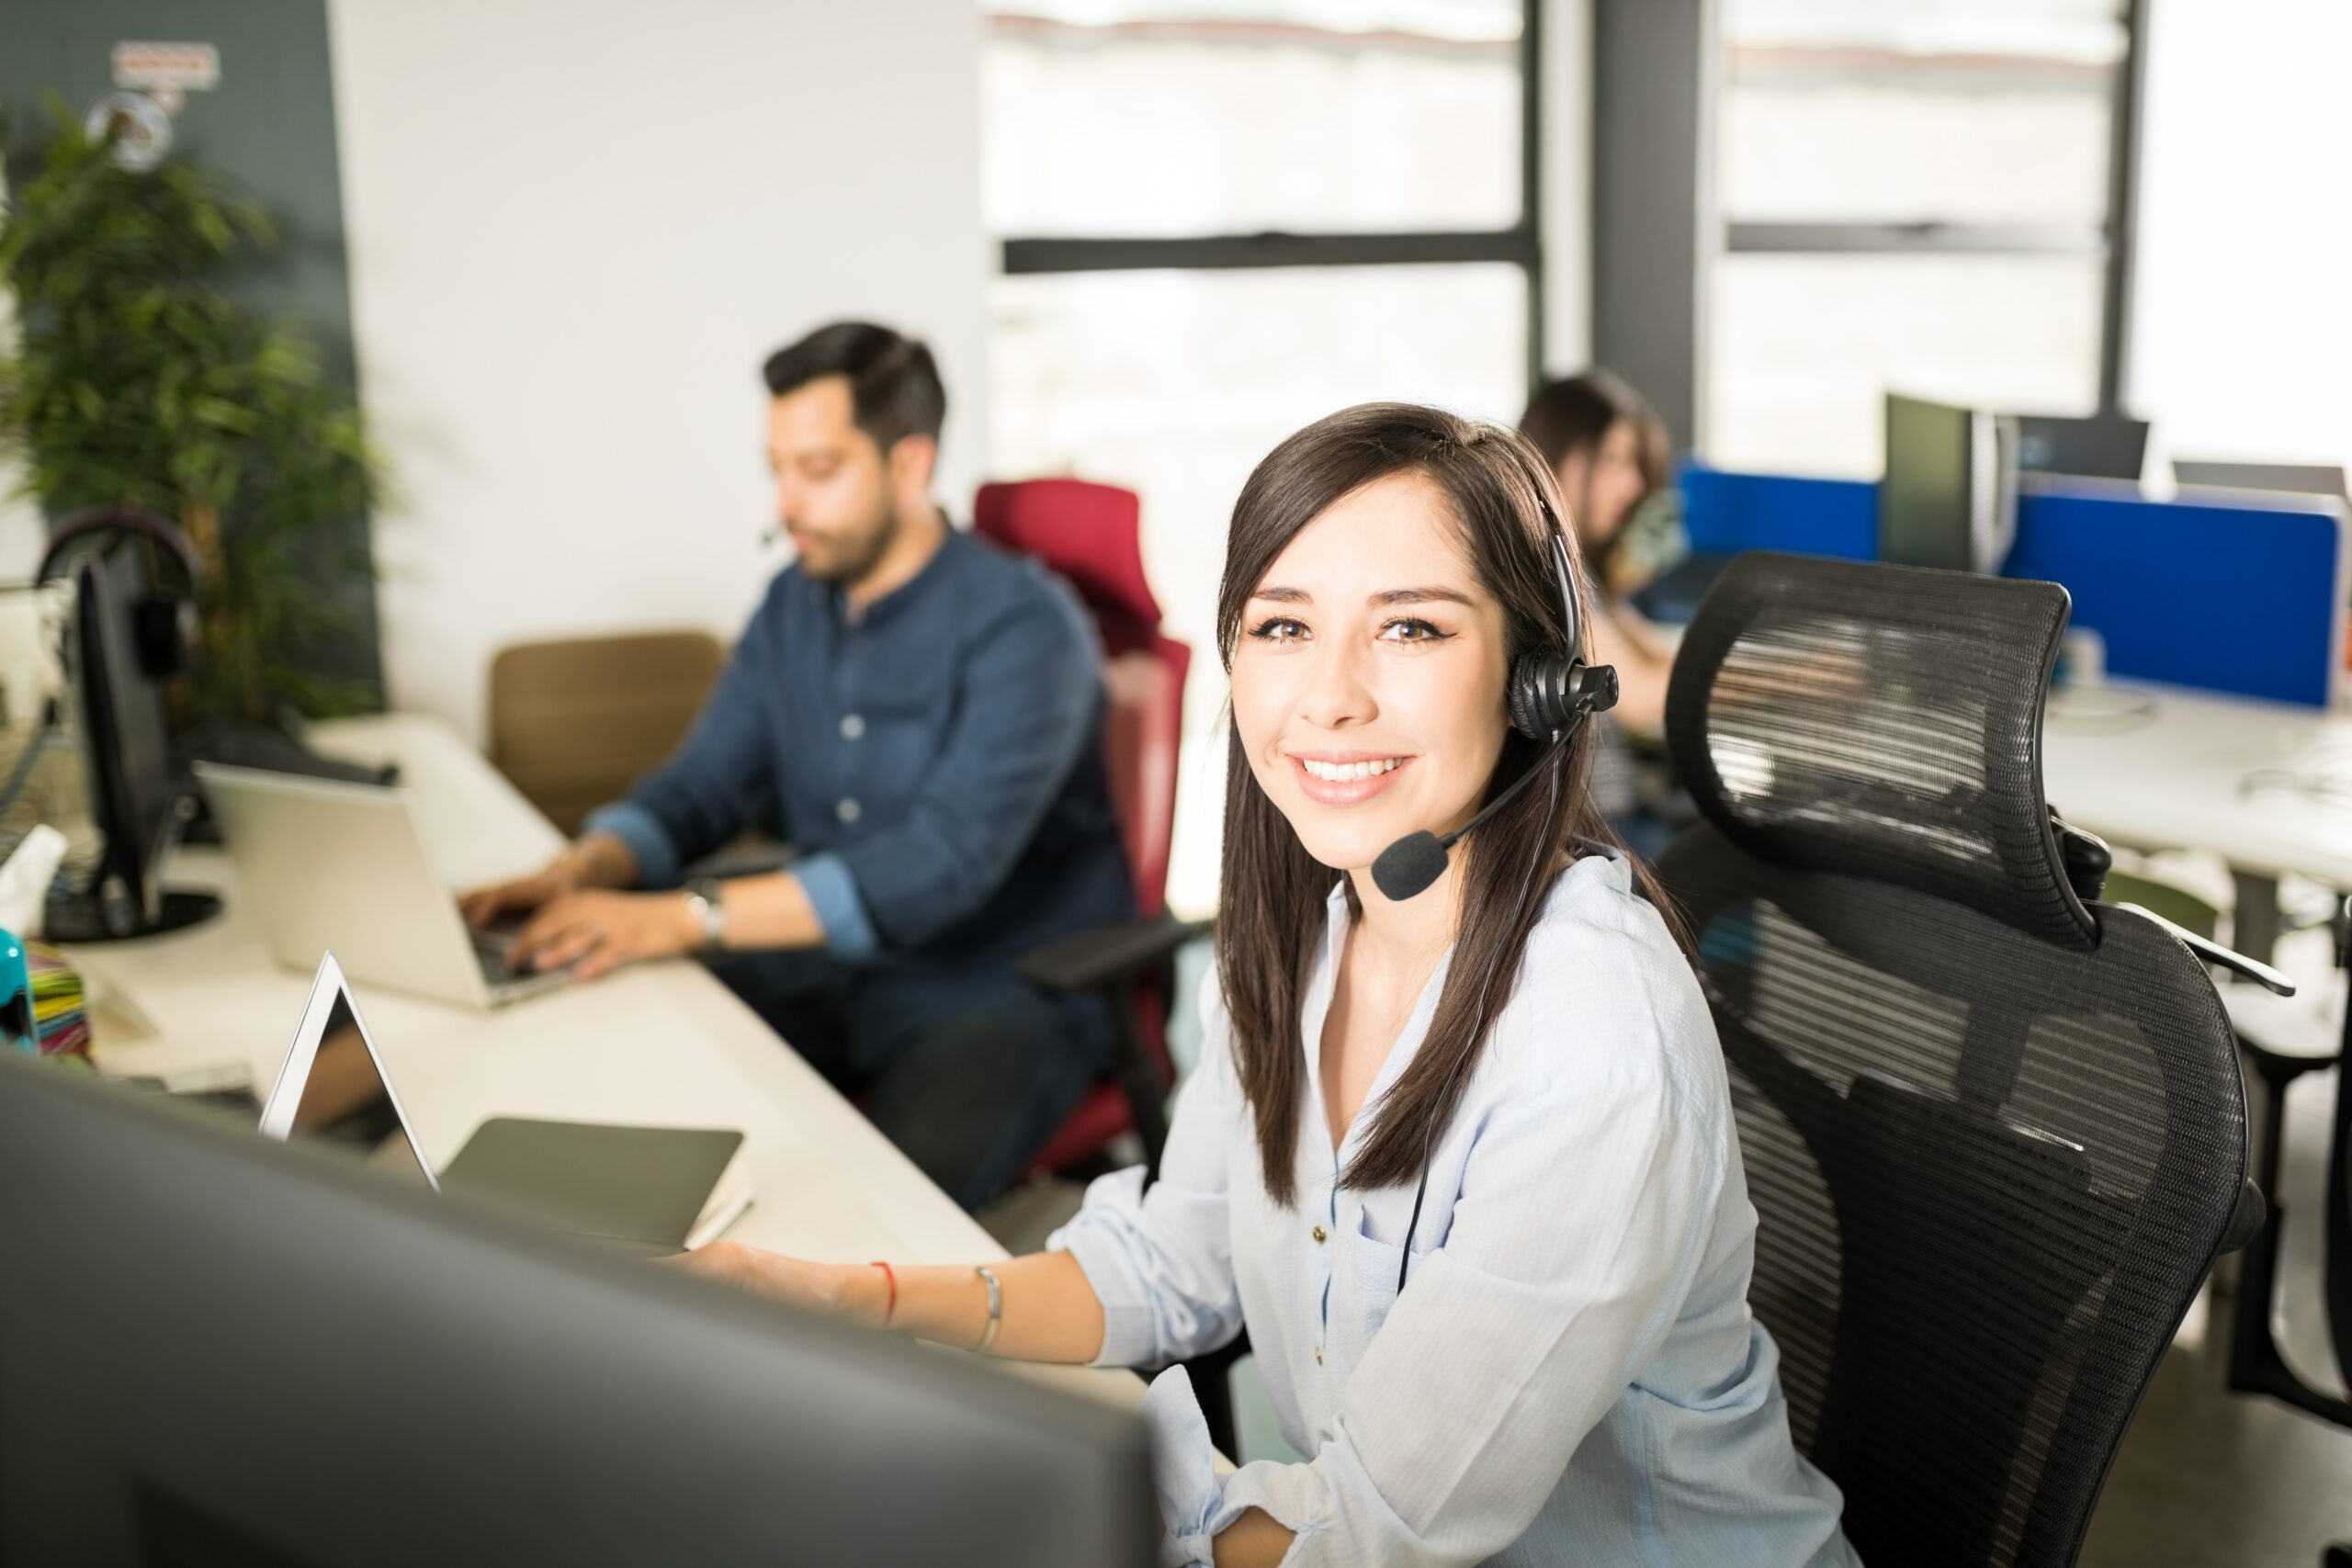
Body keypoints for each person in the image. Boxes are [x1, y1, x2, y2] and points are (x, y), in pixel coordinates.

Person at [673, 404, 1859, 1567]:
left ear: (1536, 677)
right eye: (1283, 627)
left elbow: (1363, 1530)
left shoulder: (1593, 1037)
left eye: (1411, 630)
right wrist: (844, 1307)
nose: (1328, 696)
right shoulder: (1307, 936)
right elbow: (1169, 1264)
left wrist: (959, 1474)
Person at [461, 321, 1133, 1213]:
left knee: (859, 1220)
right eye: (776, 468)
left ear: (908, 466)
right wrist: (580, 869)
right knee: (606, 1055)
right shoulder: (792, 604)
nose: (785, 503)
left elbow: (938, 866)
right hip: (827, 960)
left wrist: (687, 916)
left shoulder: (1026, 629)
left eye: (817, 471)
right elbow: (705, 784)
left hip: (998, 987)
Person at [1521, 371, 1687, 858]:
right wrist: (1798, 681)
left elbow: (1650, 653)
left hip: (1619, 816)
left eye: (1633, 463)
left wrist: (1790, 669)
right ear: (1554, 452)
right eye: (1611, 460)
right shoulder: (1547, 565)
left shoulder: (1576, 558)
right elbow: (1643, 697)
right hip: (1597, 833)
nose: (1632, 485)